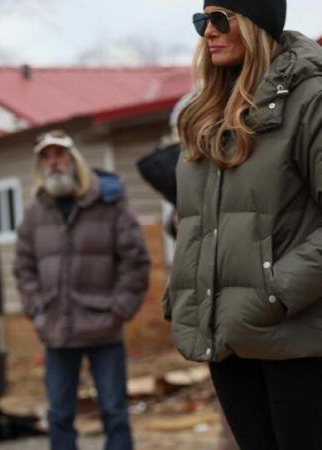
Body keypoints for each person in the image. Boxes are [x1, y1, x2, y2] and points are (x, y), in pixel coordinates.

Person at [163, 1, 322, 449]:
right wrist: (183, 289)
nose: (207, 32)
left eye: (219, 20)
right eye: (201, 21)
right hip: (230, 340)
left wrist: (276, 290)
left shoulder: (312, 100)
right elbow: (199, 221)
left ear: (255, 25)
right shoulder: (205, 113)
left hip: (297, 341)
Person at [14, 130, 150, 450]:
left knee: (114, 412)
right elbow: (23, 266)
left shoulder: (108, 203)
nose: (53, 163)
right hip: (56, 329)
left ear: (74, 161)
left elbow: (136, 260)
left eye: (59, 155)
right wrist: (36, 307)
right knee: (59, 415)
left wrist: (121, 307)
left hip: (103, 326)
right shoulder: (35, 212)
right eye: (46, 158)